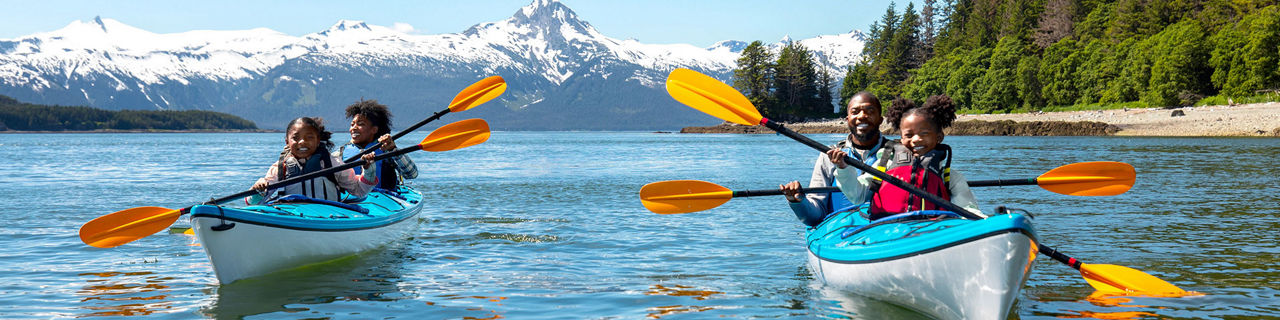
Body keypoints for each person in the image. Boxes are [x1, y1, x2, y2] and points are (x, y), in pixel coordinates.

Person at [829, 95, 983, 220]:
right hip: (886, 231)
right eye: (908, 135)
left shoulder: (948, 176)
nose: (915, 140)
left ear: (939, 137)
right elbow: (857, 195)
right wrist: (843, 168)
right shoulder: (884, 165)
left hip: (933, 232)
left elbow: (968, 209)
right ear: (901, 139)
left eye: (924, 134)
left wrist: (984, 223)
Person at [780, 91, 891, 226]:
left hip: (884, 234)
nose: (862, 116)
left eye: (870, 111)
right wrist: (797, 201)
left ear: (880, 119)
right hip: (840, 236)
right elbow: (814, 216)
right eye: (855, 112)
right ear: (847, 120)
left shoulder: (896, 155)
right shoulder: (828, 156)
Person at [248, 117, 379, 204]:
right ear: (287, 142)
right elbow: (253, 203)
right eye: (296, 138)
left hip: (330, 216)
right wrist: (258, 190)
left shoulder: (332, 163)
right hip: (293, 216)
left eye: (309, 137)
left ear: (318, 141)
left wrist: (369, 170)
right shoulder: (280, 168)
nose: (302, 142)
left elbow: (360, 191)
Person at [338, 100, 418, 191]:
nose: (354, 128)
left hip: (384, 199)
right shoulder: (341, 153)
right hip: (351, 199)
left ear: (374, 130)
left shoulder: (386, 150)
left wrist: (393, 150)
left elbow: (412, 174)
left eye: (360, 124)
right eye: (352, 124)